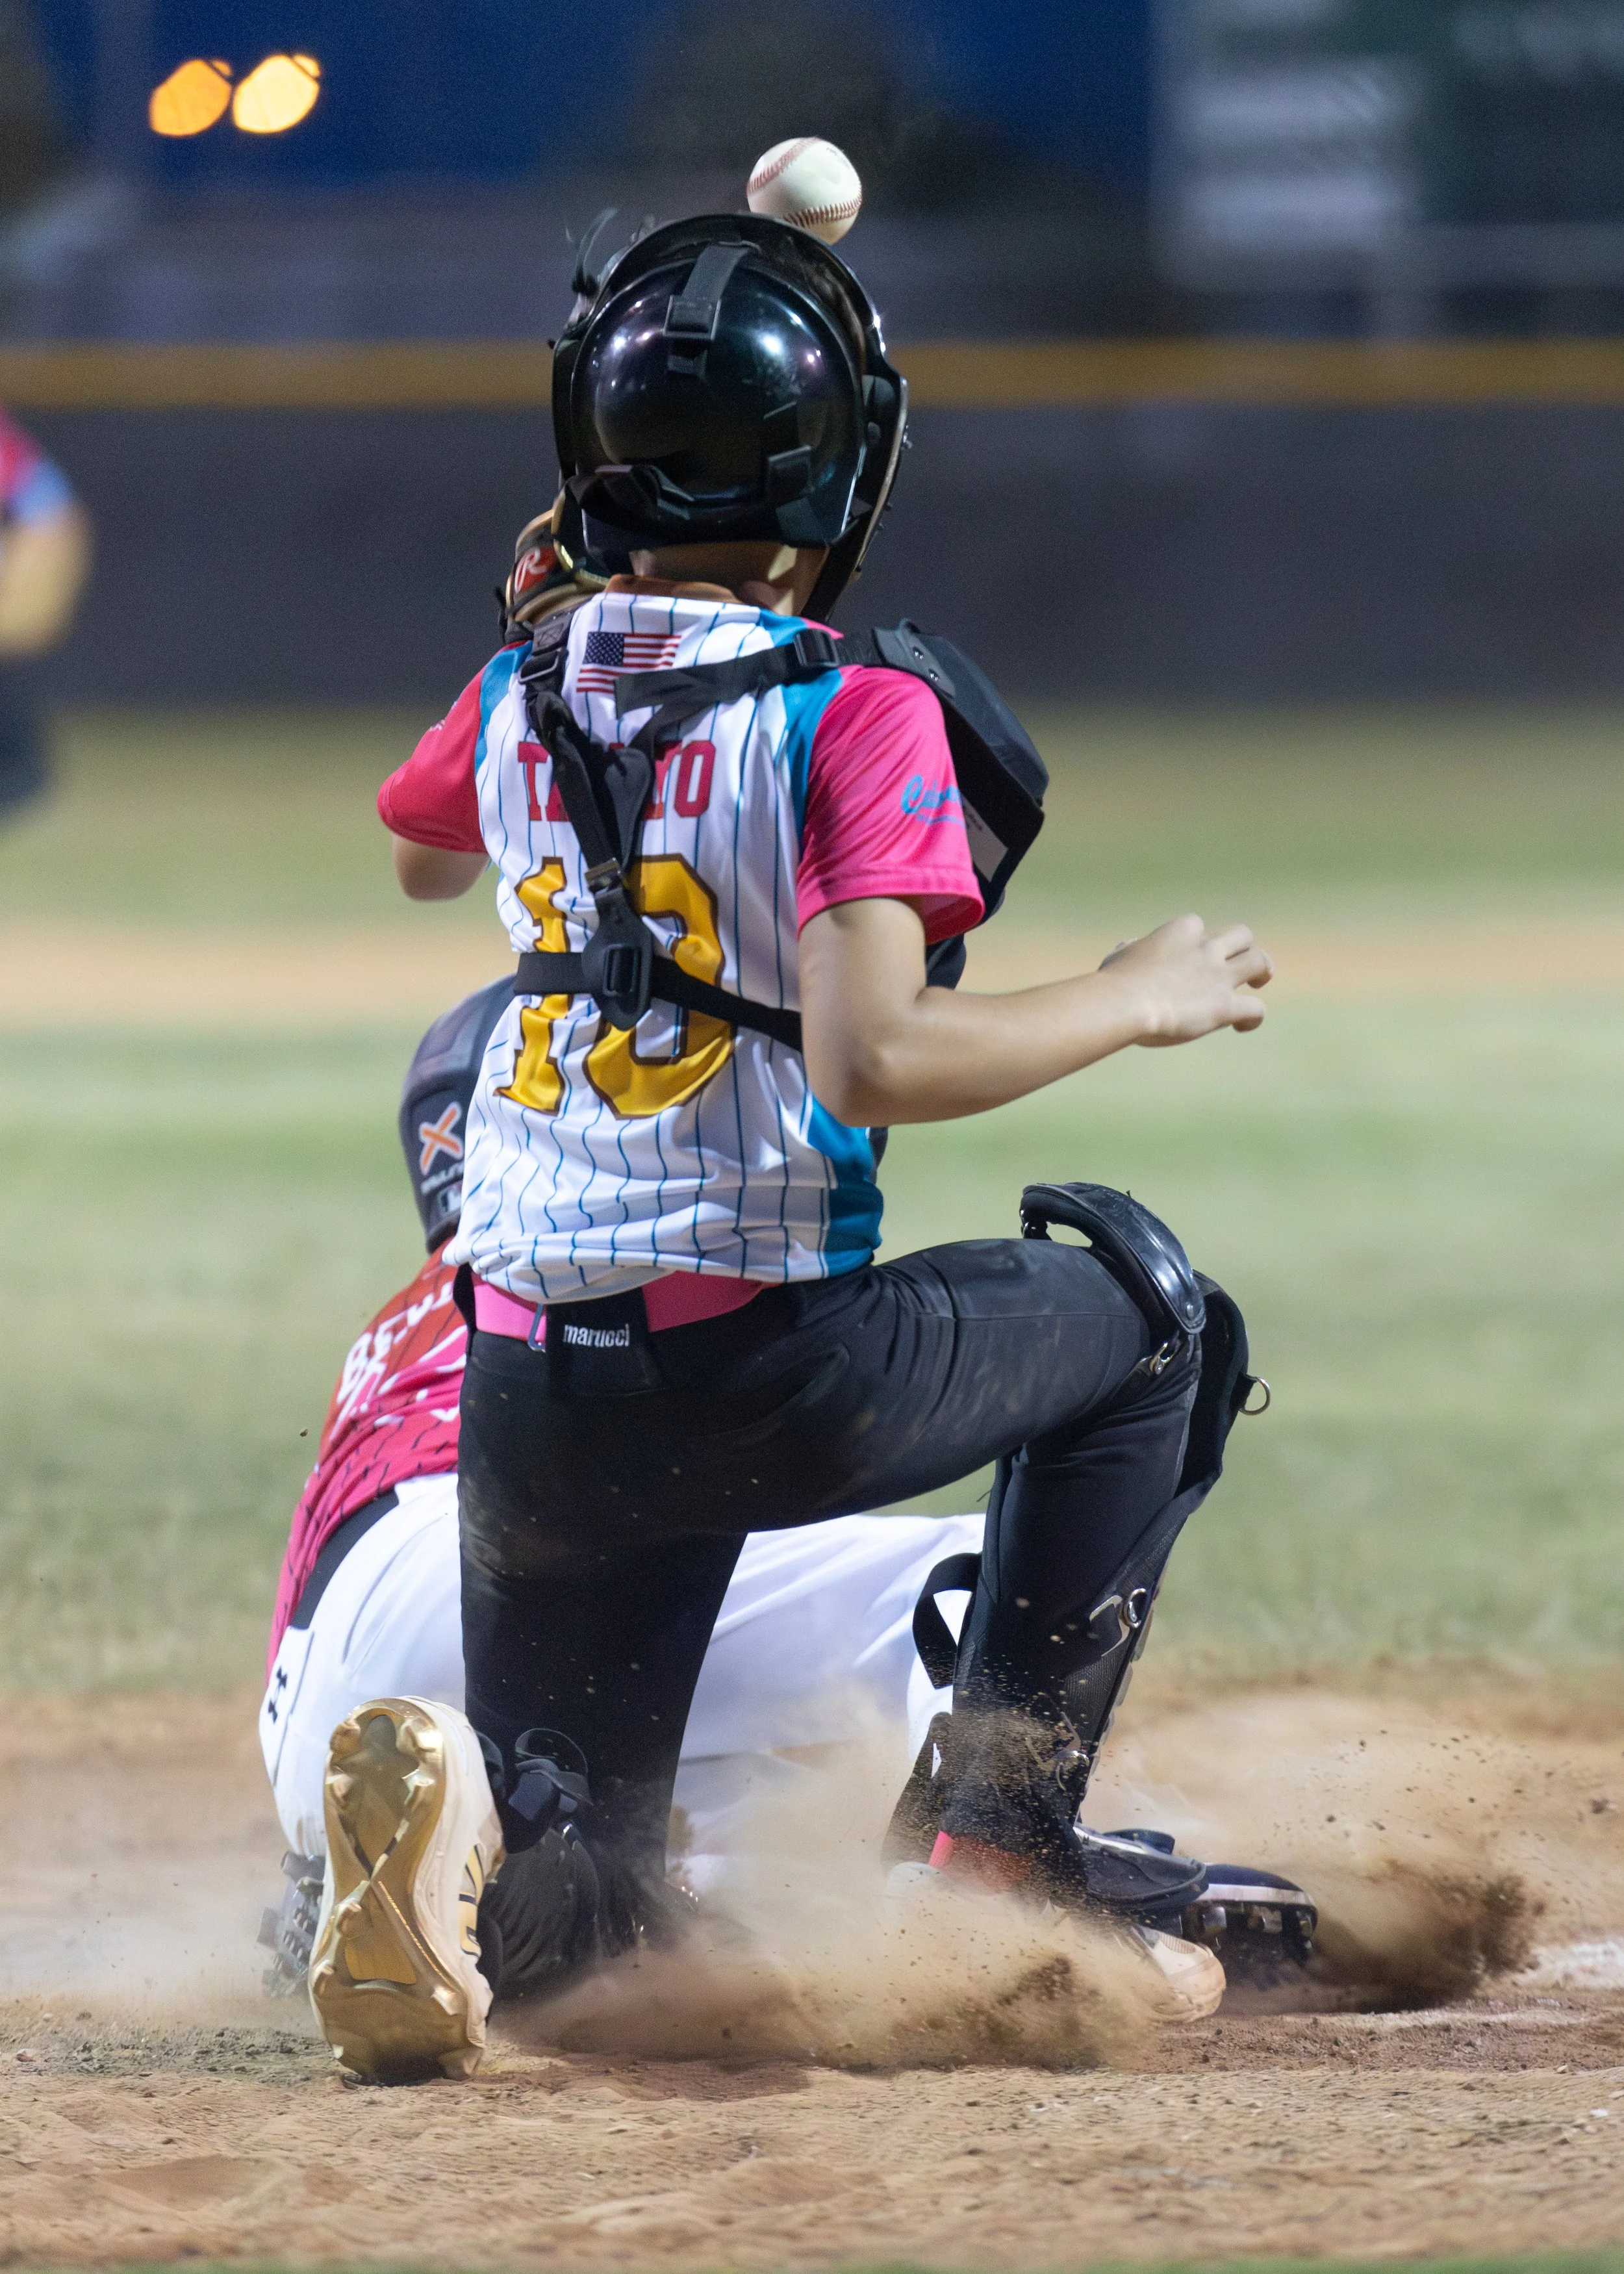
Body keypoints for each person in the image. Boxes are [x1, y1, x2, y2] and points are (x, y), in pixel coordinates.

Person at [335, 209, 1283, 2081]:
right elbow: (873, 1059)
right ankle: (998, 1861)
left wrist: (541, 615)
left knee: (596, 1946)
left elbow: (425, 853)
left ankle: (475, 1868)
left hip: (527, 1376)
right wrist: (1130, 991)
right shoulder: (854, 711)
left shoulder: (522, 679)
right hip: (767, 1364)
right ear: (843, 470)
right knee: (1152, 1319)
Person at [259, 977, 986, 2004]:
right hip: (477, 1559)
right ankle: (1001, 1884)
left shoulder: (410, 1311)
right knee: (977, 1574)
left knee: (746, 1778)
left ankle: (427, 1892)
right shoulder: (591, 1240)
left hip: (317, 1717)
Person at [0, 408, 90, 815]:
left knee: (11, 648)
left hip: (40, 532)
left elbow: (31, 498)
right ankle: (22, 772)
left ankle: (21, 774)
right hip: (32, 530)